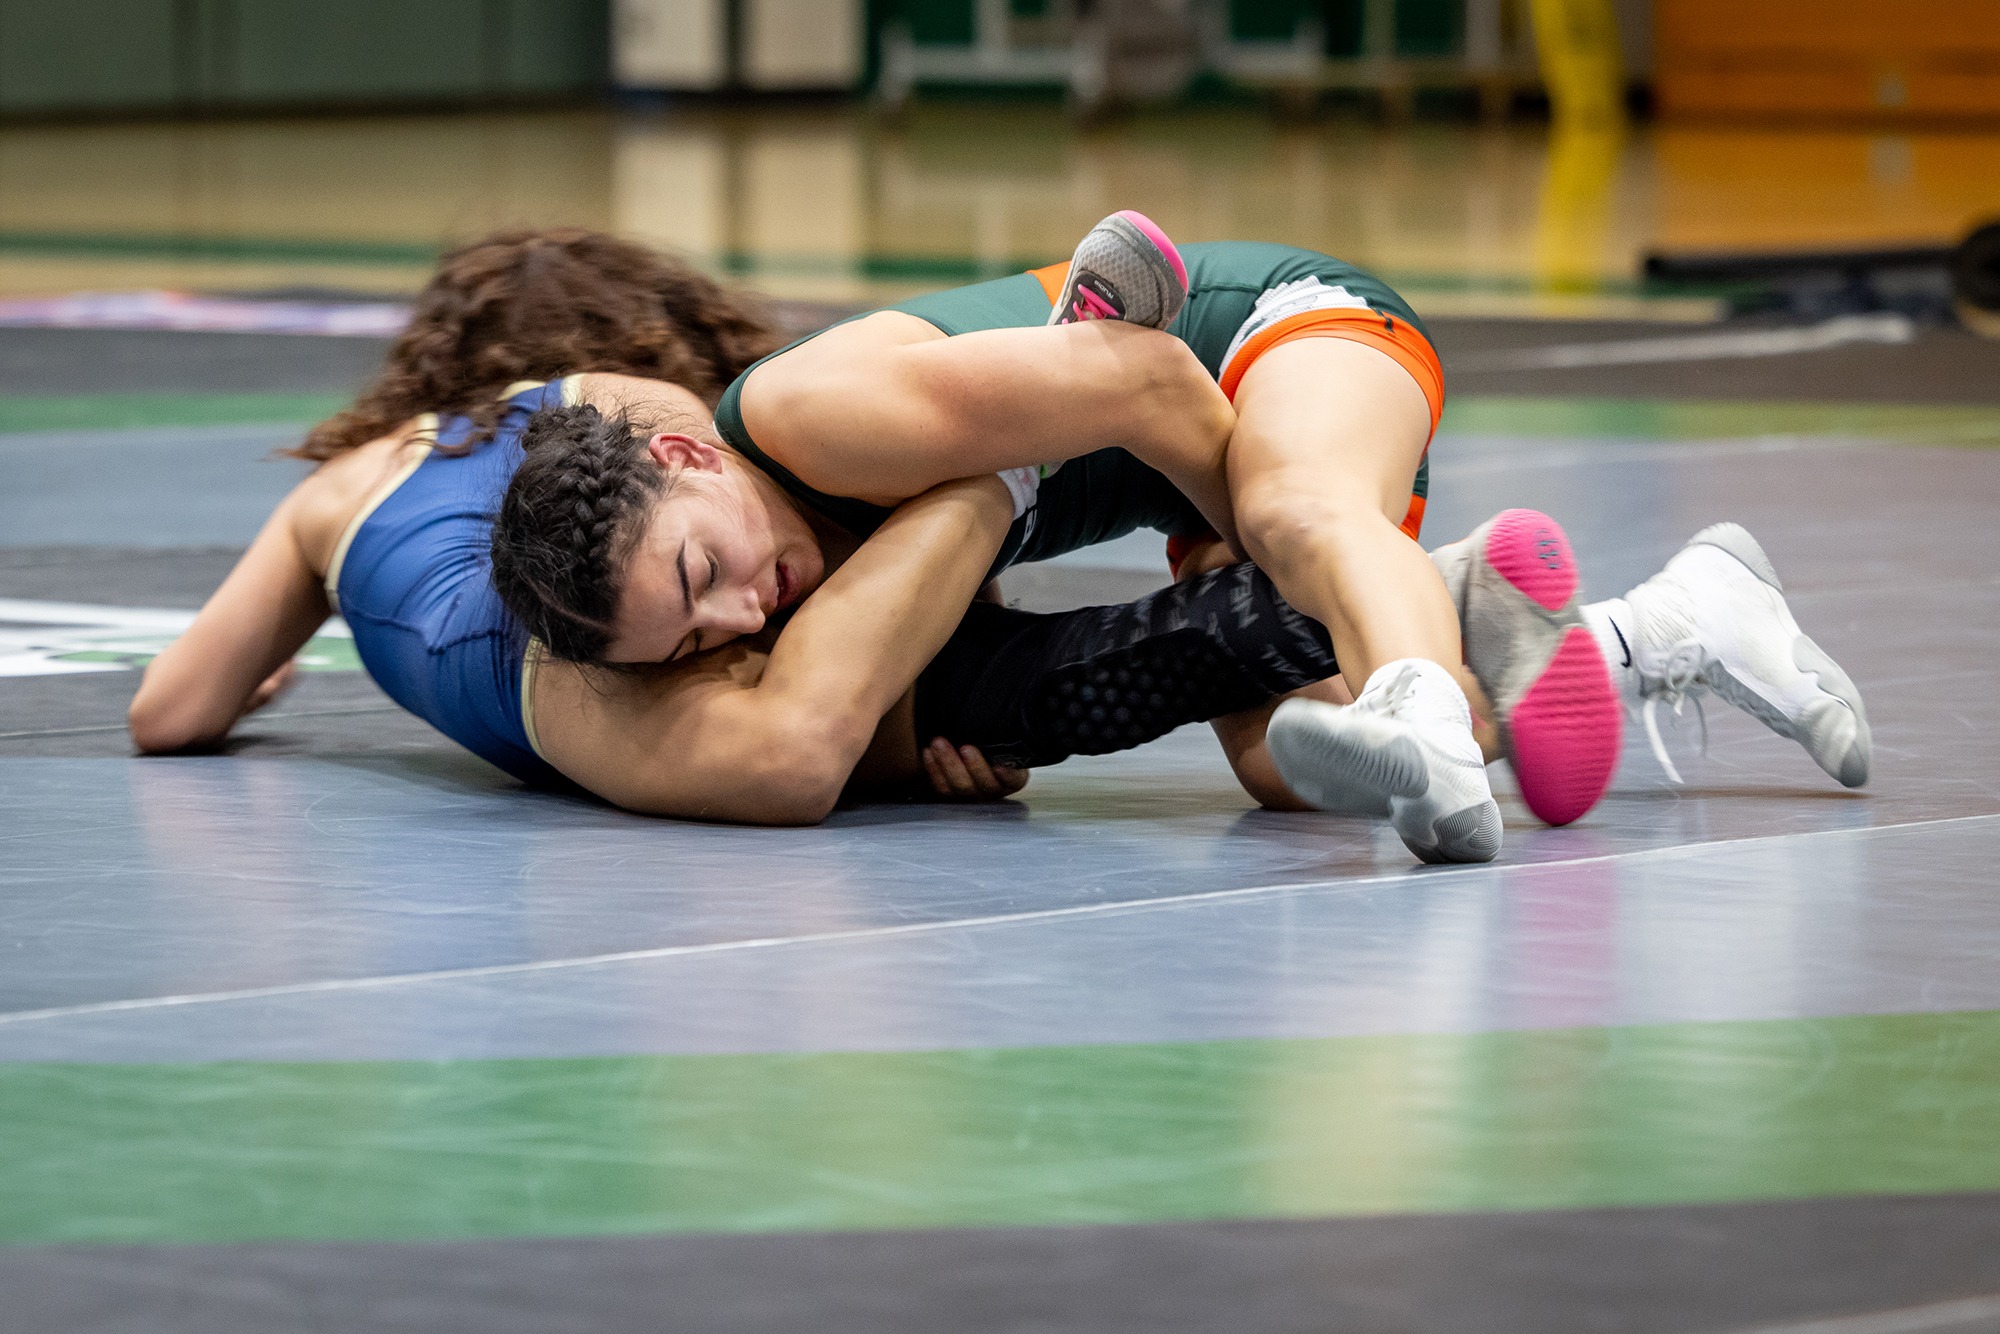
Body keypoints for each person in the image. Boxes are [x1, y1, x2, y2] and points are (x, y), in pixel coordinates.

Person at [490, 214, 1870, 860]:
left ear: (686, 454)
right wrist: (950, 760)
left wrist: (1276, 577)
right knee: (1285, 768)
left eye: (703, 573)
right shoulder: (775, 566)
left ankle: (1430, 692)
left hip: (1264, 329)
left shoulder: (802, 417)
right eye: (698, 639)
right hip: (1179, 464)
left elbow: (1149, 383)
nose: (742, 614)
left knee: (1293, 513)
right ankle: (1670, 621)